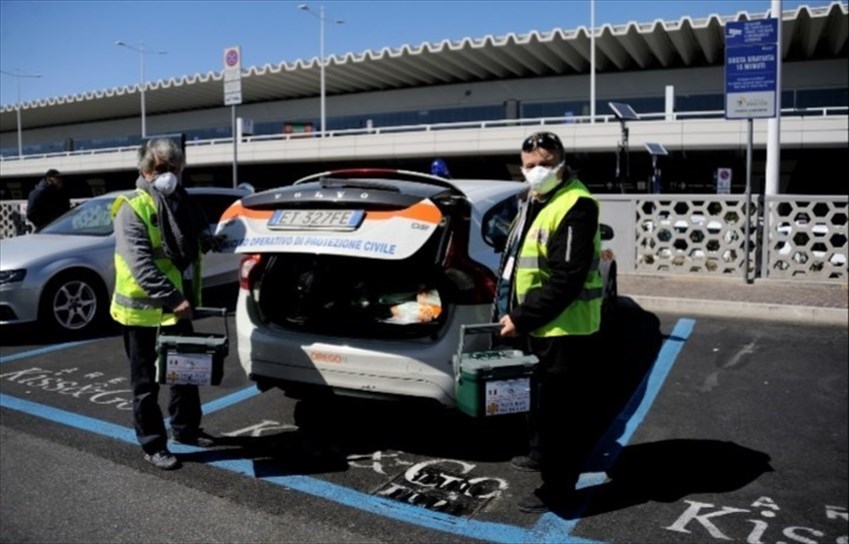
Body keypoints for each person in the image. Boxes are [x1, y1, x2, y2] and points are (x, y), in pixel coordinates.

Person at [495, 131, 605, 513]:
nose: (536, 171)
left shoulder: (576, 205)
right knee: (541, 405)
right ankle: (541, 455)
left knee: (562, 416)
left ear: (560, 161)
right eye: (529, 166)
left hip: (565, 328)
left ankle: (557, 487)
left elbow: (566, 279)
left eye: (544, 164)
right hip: (541, 325)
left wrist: (522, 318)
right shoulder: (536, 201)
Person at [111, 138, 219, 470]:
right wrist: (174, 299)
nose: (168, 175)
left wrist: (213, 238)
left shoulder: (182, 203)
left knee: (185, 375)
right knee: (145, 385)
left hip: (176, 309)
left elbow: (196, 241)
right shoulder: (132, 207)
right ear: (145, 170)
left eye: (174, 168)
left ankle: (185, 430)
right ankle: (153, 444)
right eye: (161, 168)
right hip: (142, 313)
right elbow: (142, 265)